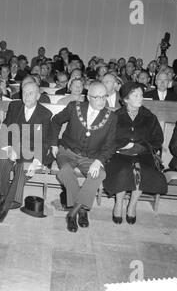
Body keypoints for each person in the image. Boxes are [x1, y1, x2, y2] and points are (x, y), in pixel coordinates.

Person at [51, 82, 117, 233]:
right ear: (88, 97)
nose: (102, 100)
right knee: (66, 171)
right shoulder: (74, 107)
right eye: (97, 97)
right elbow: (55, 121)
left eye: (104, 97)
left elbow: (110, 144)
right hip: (67, 152)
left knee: (100, 173)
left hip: (91, 157)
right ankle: (81, 211)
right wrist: (54, 144)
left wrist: (99, 161)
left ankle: (72, 213)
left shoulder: (111, 117)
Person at [104, 82, 168, 224]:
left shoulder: (149, 116)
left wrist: (143, 147)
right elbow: (108, 138)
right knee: (122, 170)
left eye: (141, 95)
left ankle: (132, 205)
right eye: (136, 95)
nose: (140, 98)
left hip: (143, 153)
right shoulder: (116, 116)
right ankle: (118, 204)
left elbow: (158, 139)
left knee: (144, 171)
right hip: (119, 153)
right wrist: (122, 146)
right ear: (126, 99)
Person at [0, 82, 53, 223]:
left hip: (31, 152)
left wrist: (37, 161)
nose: (27, 96)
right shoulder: (15, 106)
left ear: (38, 96)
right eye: (24, 92)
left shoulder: (45, 114)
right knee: (1, 161)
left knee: (22, 167)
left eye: (31, 93)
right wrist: (8, 148)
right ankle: (3, 197)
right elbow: (6, 128)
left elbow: (44, 141)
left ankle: (5, 207)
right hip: (14, 148)